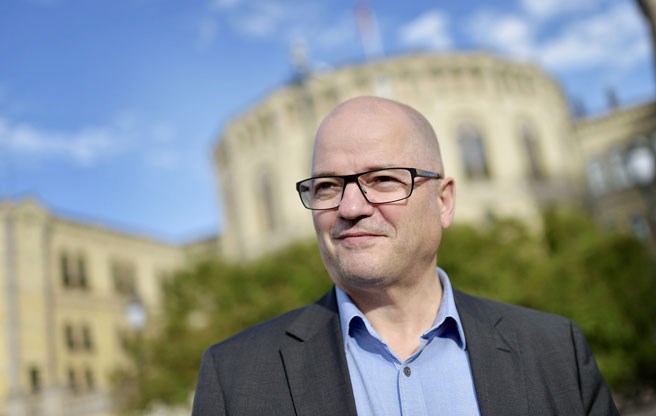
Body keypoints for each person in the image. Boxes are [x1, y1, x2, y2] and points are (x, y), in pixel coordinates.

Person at [192, 96, 620, 415]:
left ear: (443, 202)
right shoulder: (236, 378)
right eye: (326, 187)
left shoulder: (554, 352)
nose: (350, 207)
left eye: (382, 180)